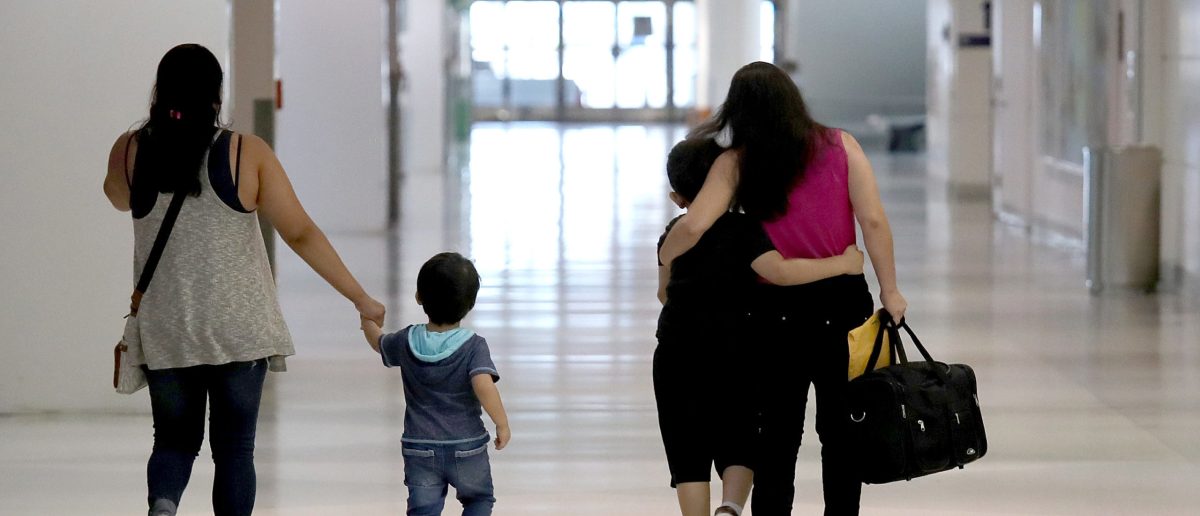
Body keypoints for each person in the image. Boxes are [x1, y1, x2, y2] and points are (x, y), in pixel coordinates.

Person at [103, 43, 385, 516]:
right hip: (239, 331)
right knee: (234, 450)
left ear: (160, 90)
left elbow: (116, 197)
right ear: (217, 95)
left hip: (169, 328)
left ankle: (164, 505)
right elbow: (299, 232)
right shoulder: (242, 153)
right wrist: (359, 297)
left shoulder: (130, 149)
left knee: (173, 441)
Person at [658, 61, 909, 516]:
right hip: (844, 303)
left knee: (776, 435)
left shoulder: (736, 161)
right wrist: (890, 291)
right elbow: (873, 220)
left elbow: (694, 224)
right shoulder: (841, 145)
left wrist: (665, 255)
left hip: (772, 310)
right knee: (842, 428)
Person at [655, 137, 864, 516]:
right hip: (736, 351)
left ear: (676, 197)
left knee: (687, 450)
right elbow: (781, 272)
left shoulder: (675, 232)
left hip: (675, 352)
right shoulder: (744, 230)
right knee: (742, 439)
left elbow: (663, 294)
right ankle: (731, 508)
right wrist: (843, 264)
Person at [360, 252, 509, 516]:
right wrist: (501, 422)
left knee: (423, 509)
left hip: (419, 446)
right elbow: (484, 385)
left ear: (419, 297)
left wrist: (367, 320)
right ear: (470, 303)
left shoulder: (407, 340)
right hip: (467, 444)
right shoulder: (473, 346)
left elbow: (379, 343)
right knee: (478, 500)